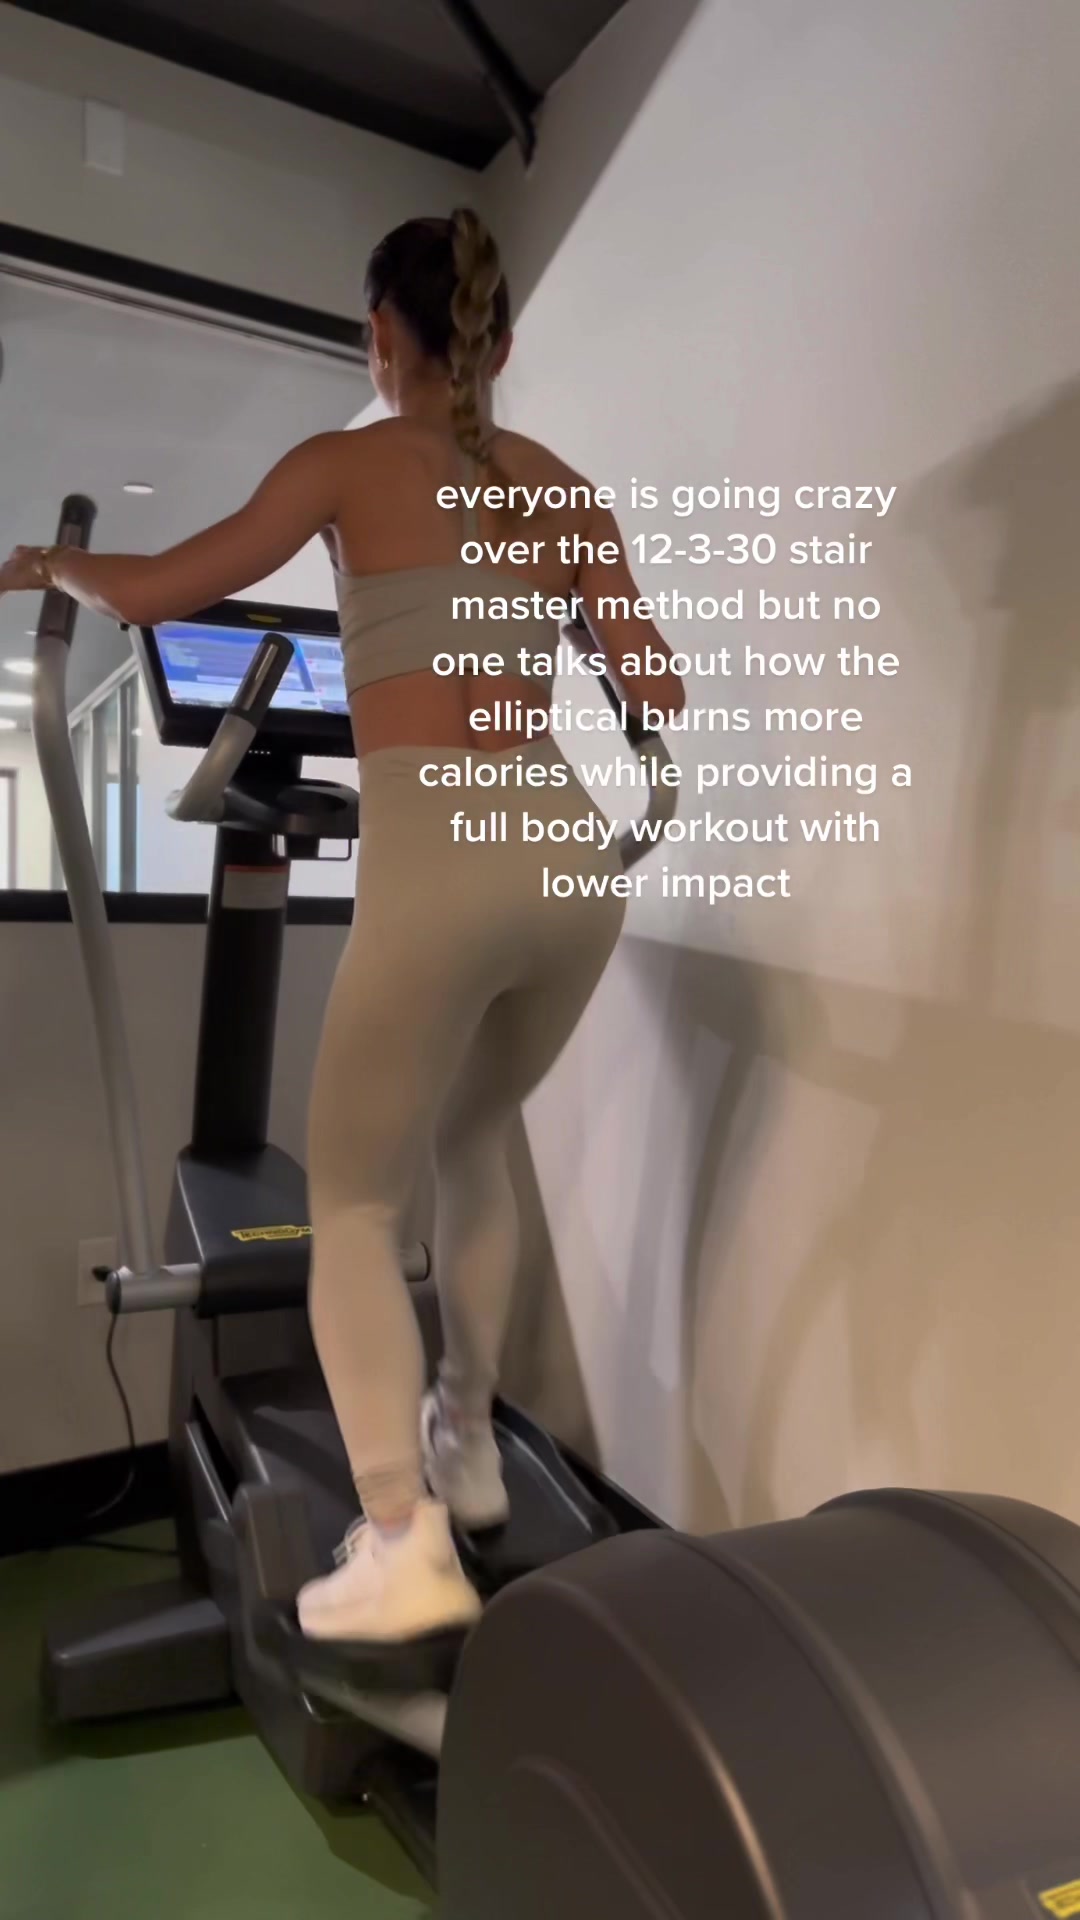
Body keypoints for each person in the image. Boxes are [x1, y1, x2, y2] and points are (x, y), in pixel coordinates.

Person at [0, 207, 685, 1645]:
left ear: (384, 337)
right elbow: (660, 693)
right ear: (500, 343)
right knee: (475, 1141)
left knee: (360, 1208)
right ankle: (468, 1446)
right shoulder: (562, 491)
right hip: (572, 860)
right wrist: (550, 620)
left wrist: (50, 568)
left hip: (440, 860)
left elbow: (155, 590)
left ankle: (401, 1536)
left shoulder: (344, 463)